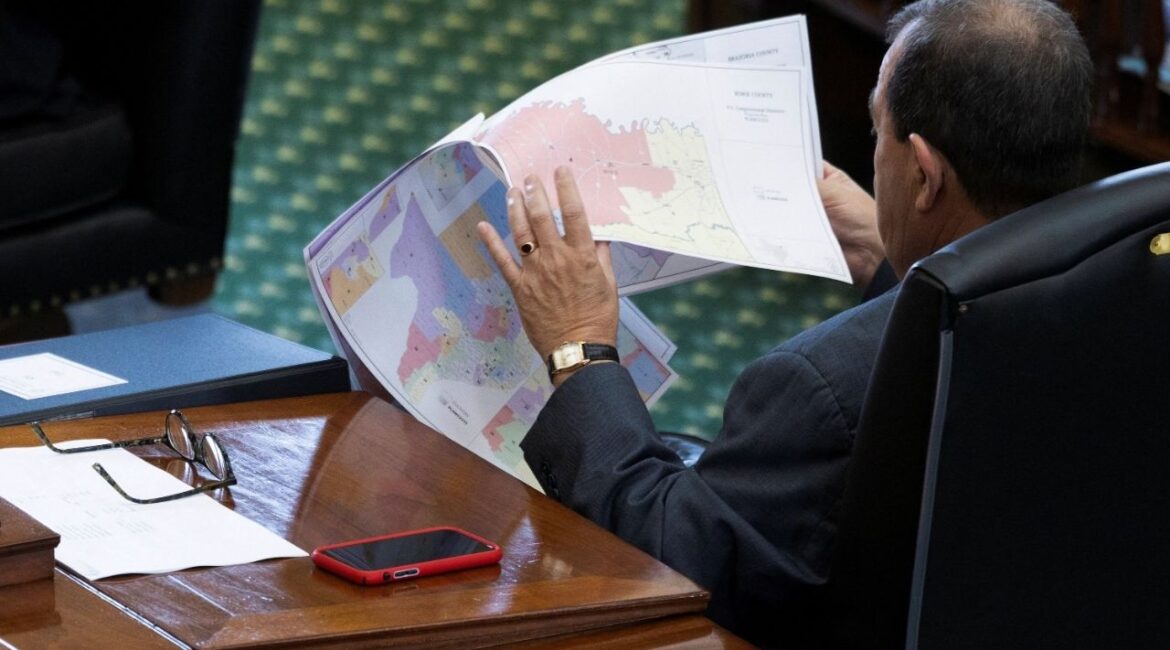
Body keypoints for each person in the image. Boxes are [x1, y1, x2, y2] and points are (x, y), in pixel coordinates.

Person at [476, 0, 1093, 646]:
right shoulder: (1131, 282)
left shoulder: (815, 390)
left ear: (924, 176)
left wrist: (580, 349)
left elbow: (673, 561)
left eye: (877, 127)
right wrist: (892, 263)